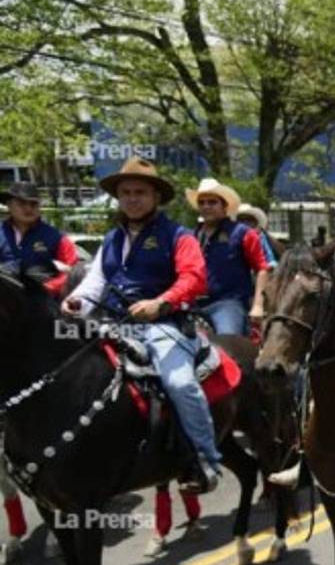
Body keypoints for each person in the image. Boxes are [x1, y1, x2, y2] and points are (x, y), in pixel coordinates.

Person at [63, 157, 222, 493]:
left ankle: (205, 460)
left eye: (140, 192)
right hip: (113, 323)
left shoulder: (179, 236)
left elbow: (194, 278)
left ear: (155, 197)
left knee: (179, 384)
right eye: (126, 192)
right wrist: (75, 301)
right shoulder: (111, 238)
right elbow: (96, 281)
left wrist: (160, 302)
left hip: (164, 325)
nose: (132, 198)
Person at [189, 178, 269, 335]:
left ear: (224, 206)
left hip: (229, 303)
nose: (206, 206)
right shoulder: (191, 236)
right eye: (201, 203)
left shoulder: (243, 233)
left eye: (212, 202)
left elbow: (262, 269)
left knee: (227, 342)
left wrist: (258, 305)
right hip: (192, 305)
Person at [0, 182, 79, 295]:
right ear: (9, 205)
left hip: (45, 301)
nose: (28, 208)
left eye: (33, 204)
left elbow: (72, 272)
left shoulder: (57, 237)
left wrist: (47, 288)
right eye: (21, 203)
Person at [235, 203, 282, 268]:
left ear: (255, 222)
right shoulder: (233, 237)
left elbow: (269, 257)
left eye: (249, 219)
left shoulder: (260, 236)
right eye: (241, 220)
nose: (245, 223)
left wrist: (269, 265)